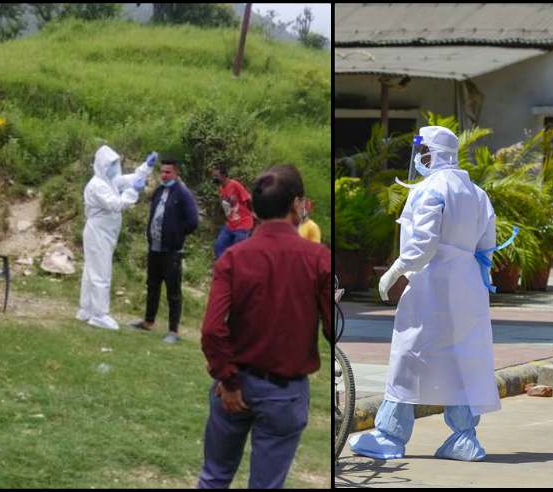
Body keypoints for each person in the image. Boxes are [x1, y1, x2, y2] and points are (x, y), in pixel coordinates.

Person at [349, 126, 501, 462]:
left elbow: (422, 243)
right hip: (467, 287)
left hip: (432, 285)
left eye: (424, 151)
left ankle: (390, 435)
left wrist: (394, 270)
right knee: (458, 359)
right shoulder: (476, 193)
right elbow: (487, 246)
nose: (420, 158)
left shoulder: (431, 188)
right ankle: (465, 437)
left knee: (409, 355)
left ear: (434, 153)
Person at [198, 164, 331, 489]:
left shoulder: (233, 257)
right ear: (298, 204)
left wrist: (227, 380)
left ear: (253, 207)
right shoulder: (318, 258)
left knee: (214, 477)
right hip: (285, 392)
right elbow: (334, 327)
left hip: (236, 385)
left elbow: (212, 329)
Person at [76, 146, 156, 330]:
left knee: (91, 271)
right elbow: (116, 205)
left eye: (115, 163)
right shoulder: (97, 185)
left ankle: (86, 309)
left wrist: (146, 166)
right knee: (101, 272)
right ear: (102, 165)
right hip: (98, 233)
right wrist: (133, 192)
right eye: (111, 164)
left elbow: (131, 178)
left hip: (104, 233)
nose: (114, 167)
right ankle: (99, 314)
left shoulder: (109, 180)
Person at [128, 157, 199, 343]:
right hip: (155, 248)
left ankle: (173, 331)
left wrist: (177, 234)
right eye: (162, 172)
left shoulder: (182, 193)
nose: (164, 175)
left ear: (176, 173)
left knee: (173, 291)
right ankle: (148, 322)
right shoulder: (159, 191)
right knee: (152, 286)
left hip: (172, 250)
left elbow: (193, 221)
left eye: (168, 172)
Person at [211, 165, 253, 259]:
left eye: (216, 176)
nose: (214, 179)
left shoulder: (234, 184)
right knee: (219, 246)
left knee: (238, 252)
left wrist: (250, 213)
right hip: (231, 224)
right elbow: (225, 208)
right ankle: (223, 269)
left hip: (243, 223)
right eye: (213, 176)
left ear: (224, 175)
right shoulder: (221, 189)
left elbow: (248, 199)